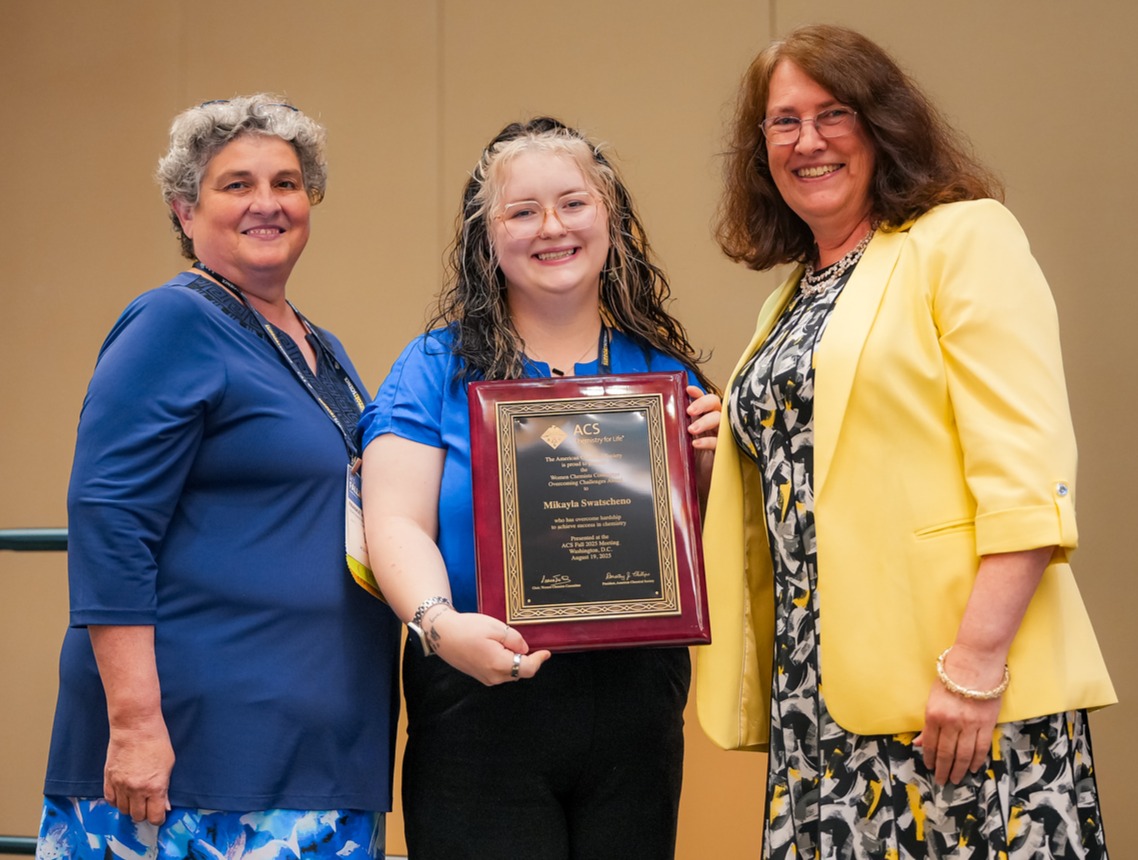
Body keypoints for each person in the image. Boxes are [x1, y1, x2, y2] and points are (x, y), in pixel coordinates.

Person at [695, 24, 1116, 859]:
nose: (807, 141)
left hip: (953, 693)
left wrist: (973, 666)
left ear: (883, 124)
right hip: (816, 699)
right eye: (783, 122)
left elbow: (1027, 475)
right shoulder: (791, 297)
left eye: (833, 113)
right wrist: (725, 450)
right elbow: (822, 465)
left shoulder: (964, 238)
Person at [37, 94, 401, 860]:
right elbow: (108, 518)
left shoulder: (319, 346)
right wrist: (135, 726)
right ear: (184, 209)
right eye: (237, 185)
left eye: (287, 183)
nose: (267, 203)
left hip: (320, 755)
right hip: (193, 767)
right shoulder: (172, 322)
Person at [359, 117, 720, 859]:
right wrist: (437, 623)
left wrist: (710, 466)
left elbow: (703, 545)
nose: (551, 228)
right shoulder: (435, 368)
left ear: (611, 220)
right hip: (475, 689)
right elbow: (393, 521)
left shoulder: (665, 377)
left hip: (636, 703)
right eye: (522, 212)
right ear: (484, 239)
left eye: (573, 203)